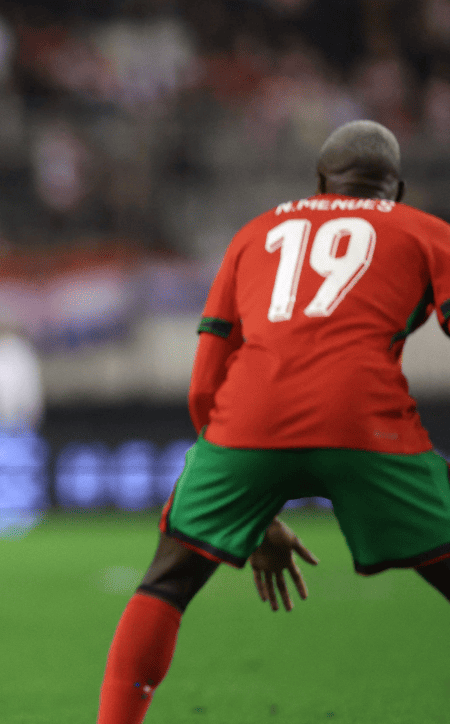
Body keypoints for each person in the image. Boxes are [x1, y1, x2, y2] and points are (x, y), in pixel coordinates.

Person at [97, 119, 450, 724]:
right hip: (366, 421)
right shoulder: (428, 232)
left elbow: (206, 380)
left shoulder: (255, 233)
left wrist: (250, 504)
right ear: (397, 189)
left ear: (320, 182)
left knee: (168, 579)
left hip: (248, 420)